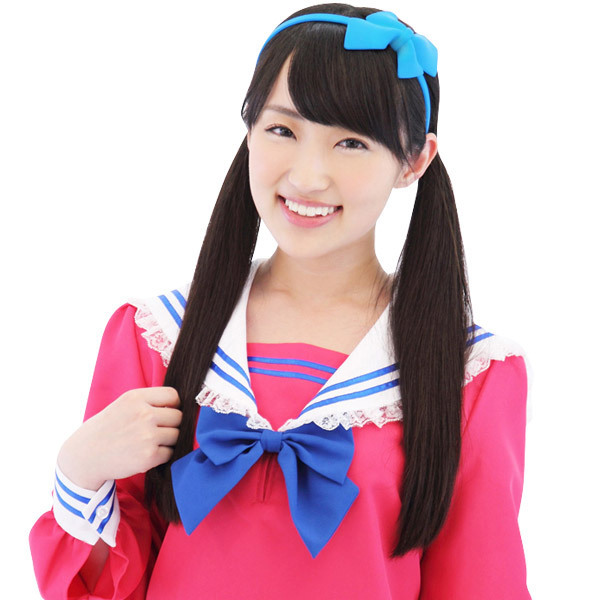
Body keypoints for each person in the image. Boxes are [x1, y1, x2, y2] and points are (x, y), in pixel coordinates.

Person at [29, 4, 531, 599]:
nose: (308, 176)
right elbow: (110, 585)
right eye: (282, 131)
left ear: (414, 160)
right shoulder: (159, 337)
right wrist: (79, 472)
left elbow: (481, 583)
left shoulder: (467, 375)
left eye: (351, 141)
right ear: (248, 130)